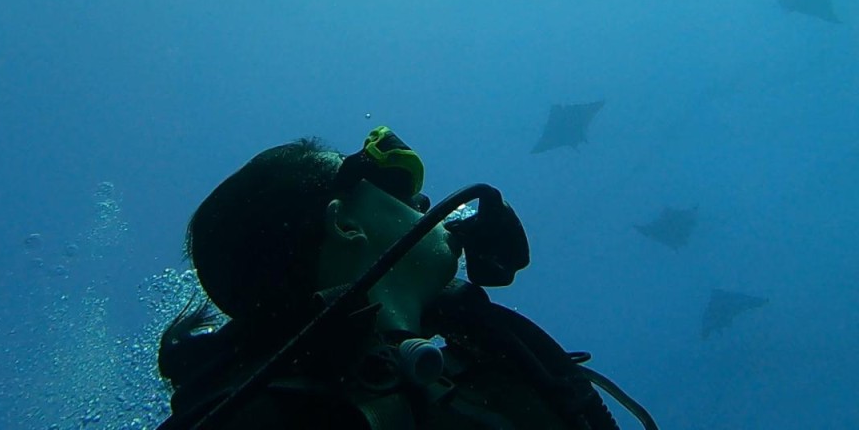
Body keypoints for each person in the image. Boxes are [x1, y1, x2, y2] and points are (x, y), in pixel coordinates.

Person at [155, 127, 657, 430]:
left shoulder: (471, 360)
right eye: (393, 184)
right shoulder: (273, 416)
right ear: (345, 224)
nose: (420, 201)